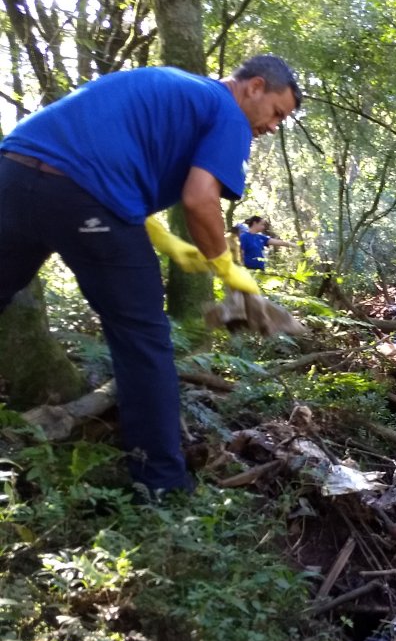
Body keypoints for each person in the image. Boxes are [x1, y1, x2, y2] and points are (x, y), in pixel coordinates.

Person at [0, 54, 302, 500]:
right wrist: (229, 271)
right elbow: (200, 201)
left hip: (12, 171)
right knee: (143, 338)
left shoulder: (174, 87)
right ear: (254, 87)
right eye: (277, 112)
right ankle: (161, 482)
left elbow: (110, 154)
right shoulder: (227, 112)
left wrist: (162, 237)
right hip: (85, 195)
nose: (274, 126)